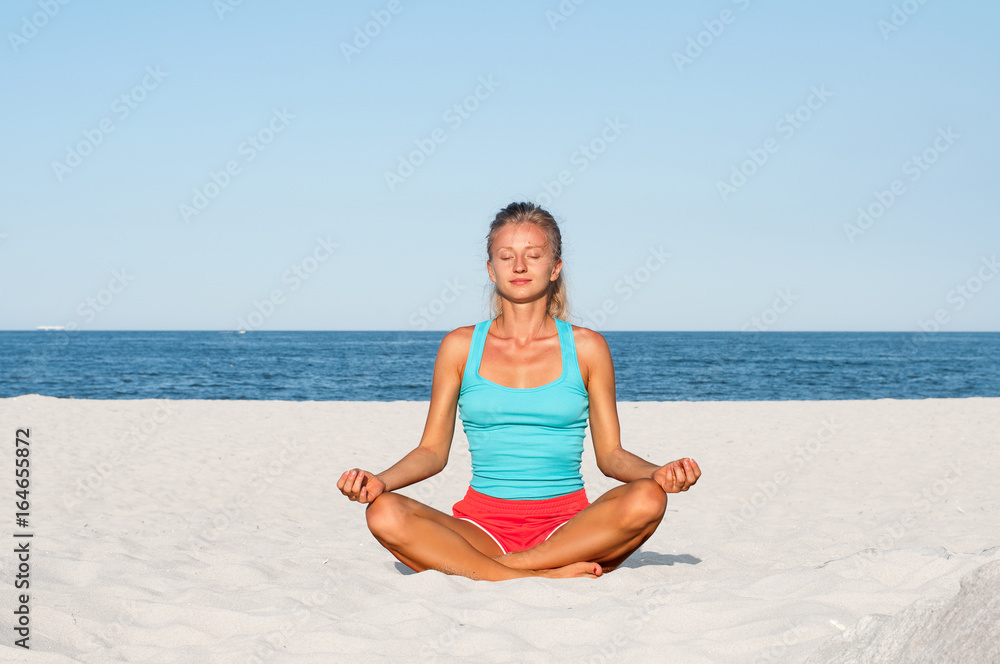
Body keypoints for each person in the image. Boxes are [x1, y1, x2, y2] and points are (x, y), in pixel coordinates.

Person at [338, 202, 701, 581]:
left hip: (568, 529)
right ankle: (542, 573)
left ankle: (501, 572)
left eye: (534, 255)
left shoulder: (588, 348)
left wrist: (658, 473)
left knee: (647, 498)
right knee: (383, 511)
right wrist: (381, 481)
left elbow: (611, 456)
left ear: (555, 267)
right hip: (481, 529)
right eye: (506, 256)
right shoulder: (460, 346)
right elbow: (431, 452)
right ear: (491, 269)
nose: (520, 266)